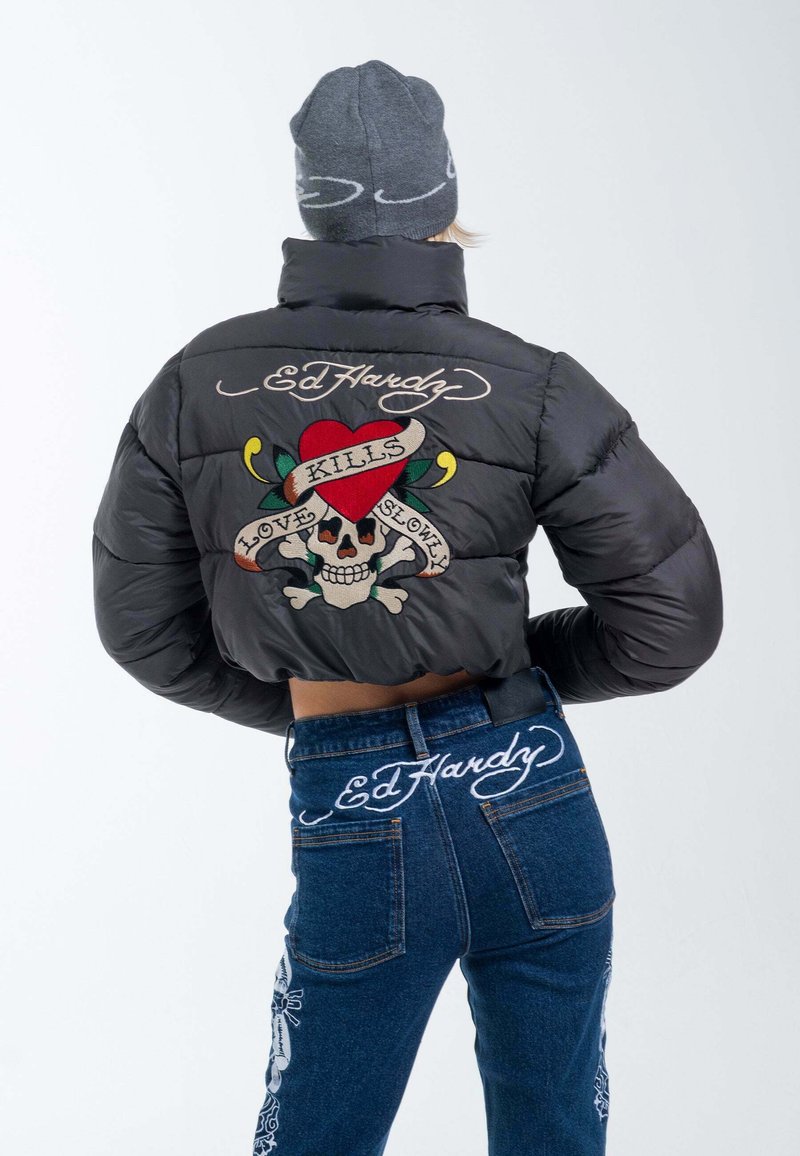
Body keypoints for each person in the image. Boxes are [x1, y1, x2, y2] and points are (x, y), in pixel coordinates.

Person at [91, 59, 723, 1156]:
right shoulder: (534, 383)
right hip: (529, 783)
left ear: (310, 203)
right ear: (444, 197)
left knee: (313, 1137)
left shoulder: (196, 382)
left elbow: (145, 632)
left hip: (356, 800)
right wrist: (507, 673)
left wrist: (315, 699)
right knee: (554, 1135)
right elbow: (670, 620)